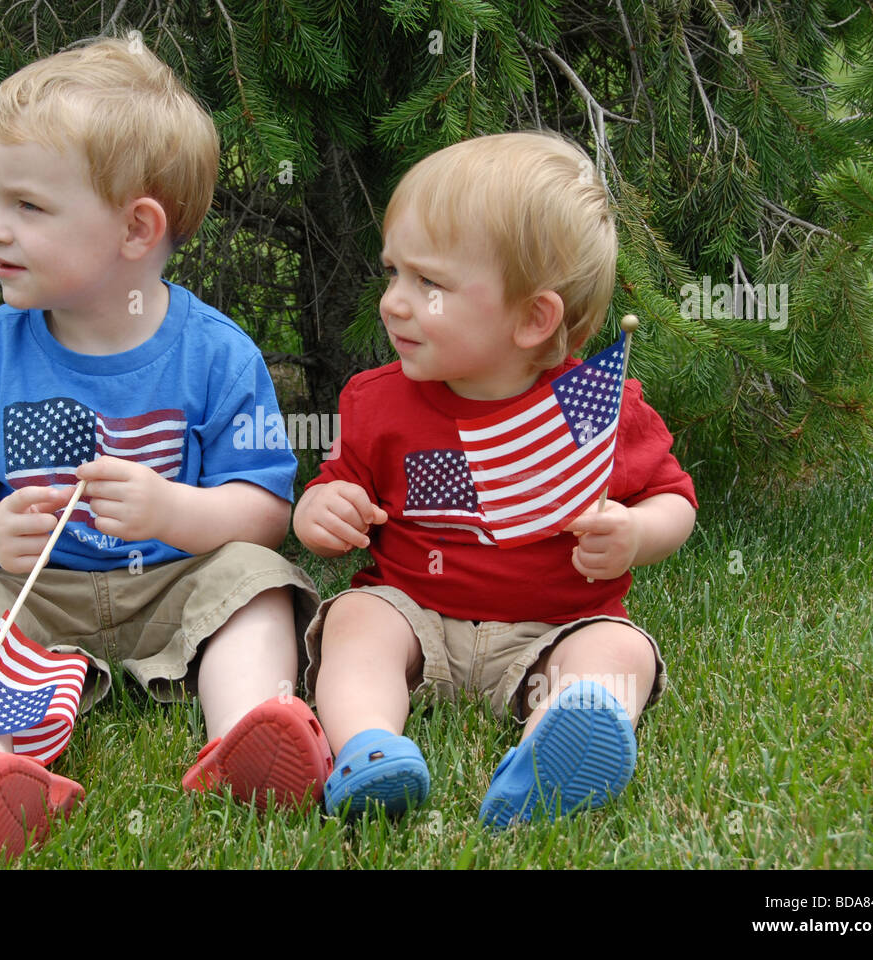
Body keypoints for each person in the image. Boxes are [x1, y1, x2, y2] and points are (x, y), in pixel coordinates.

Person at [0, 37, 329, 865]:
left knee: (259, 586)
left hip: (172, 585)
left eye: (29, 207)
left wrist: (175, 511)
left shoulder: (218, 353)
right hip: (29, 589)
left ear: (136, 228)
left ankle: (251, 734)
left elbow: (266, 510)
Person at [292, 131, 698, 826]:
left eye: (429, 284)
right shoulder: (376, 400)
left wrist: (636, 532)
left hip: (557, 624)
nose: (393, 301)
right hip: (417, 616)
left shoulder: (591, 412)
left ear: (533, 318)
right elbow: (334, 485)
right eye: (393, 272)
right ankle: (368, 745)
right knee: (357, 621)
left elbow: (674, 499)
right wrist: (322, 512)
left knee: (618, 649)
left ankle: (557, 747)